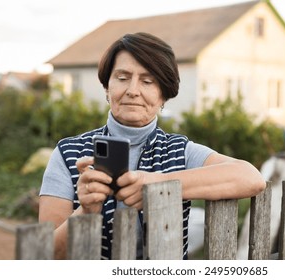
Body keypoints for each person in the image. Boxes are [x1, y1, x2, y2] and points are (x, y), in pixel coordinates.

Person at [38, 32, 266, 260]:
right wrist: (86, 211)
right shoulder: (69, 153)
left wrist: (155, 184)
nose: (133, 90)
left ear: (163, 96)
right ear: (107, 87)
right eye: (122, 77)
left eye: (147, 81)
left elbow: (251, 178)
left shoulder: (180, 151)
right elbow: (44, 254)